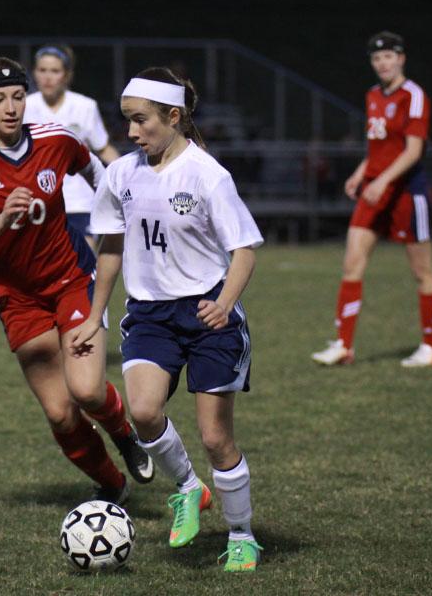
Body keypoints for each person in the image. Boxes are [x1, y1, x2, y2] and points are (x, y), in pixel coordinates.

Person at [70, 67, 265, 572]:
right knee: (144, 411)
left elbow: (243, 250)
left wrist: (224, 302)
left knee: (216, 438)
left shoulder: (207, 175)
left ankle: (242, 534)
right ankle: (187, 488)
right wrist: (95, 316)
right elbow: (111, 247)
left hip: (207, 315)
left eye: (141, 121)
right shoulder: (121, 175)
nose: (132, 133)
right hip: (151, 315)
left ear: (173, 117)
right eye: (127, 121)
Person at [0, 57, 154, 505]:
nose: (11, 107)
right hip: (19, 298)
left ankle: (125, 435)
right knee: (59, 412)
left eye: (17, 96)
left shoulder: (55, 140)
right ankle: (113, 484)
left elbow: (96, 170)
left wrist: (110, 220)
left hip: (73, 277)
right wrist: (1, 219)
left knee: (88, 389)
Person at [311, 31, 432, 368]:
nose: (383, 63)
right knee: (352, 263)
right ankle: (344, 345)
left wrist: (383, 180)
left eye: (389, 56)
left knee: (422, 271)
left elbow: (413, 151)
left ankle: (431, 348)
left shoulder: (413, 96)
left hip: (406, 192)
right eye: (376, 58)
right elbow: (379, 149)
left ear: (401, 58)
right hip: (375, 189)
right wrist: (361, 172)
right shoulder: (373, 96)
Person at [23, 45, 120, 250]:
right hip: (38, 202)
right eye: (42, 70)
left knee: (81, 266)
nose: (48, 77)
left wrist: (125, 176)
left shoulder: (85, 106)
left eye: (55, 71)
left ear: (66, 75)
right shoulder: (24, 106)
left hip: (80, 202)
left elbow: (103, 149)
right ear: (34, 73)